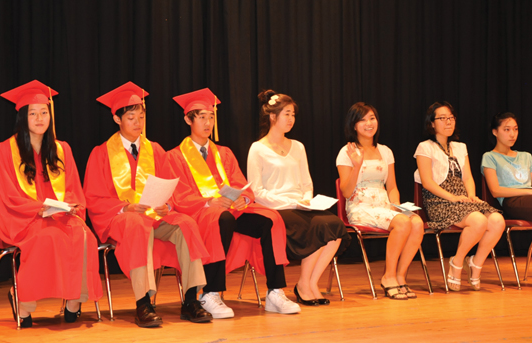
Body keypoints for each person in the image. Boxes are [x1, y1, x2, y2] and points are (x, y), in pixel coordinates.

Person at [83, 82, 211, 327]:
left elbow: (170, 189)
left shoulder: (156, 150)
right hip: (120, 219)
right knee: (135, 222)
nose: (138, 123)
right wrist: (125, 207)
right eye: (131, 117)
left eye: (141, 117)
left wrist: (168, 206)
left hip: (155, 216)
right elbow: (94, 197)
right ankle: (144, 302)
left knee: (185, 223)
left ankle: (191, 299)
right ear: (116, 119)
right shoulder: (100, 153)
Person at [165, 88, 300, 318]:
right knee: (221, 218)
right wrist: (210, 202)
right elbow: (179, 197)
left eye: (211, 117)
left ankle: (275, 291)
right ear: (188, 119)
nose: (208, 123)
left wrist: (242, 199)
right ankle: (210, 293)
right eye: (202, 117)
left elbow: (242, 184)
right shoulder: (174, 156)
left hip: (231, 211)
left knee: (270, 219)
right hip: (201, 213)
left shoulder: (224, 153)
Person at [0, 80, 103, 327]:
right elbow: (8, 195)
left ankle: (75, 300)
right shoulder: (4, 151)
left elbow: (74, 189)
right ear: (23, 117)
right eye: (33, 113)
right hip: (24, 218)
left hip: (60, 216)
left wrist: (72, 207)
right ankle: (23, 301)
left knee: (85, 237)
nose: (40, 118)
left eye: (44, 112)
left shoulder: (62, 149)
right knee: (47, 237)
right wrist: (38, 209)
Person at [247, 90, 350, 306]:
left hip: (301, 206)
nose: (291, 119)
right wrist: (291, 203)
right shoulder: (257, 149)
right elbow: (257, 192)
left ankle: (308, 283)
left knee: (333, 225)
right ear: (273, 117)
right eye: (286, 114)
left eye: (293, 114)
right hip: (276, 208)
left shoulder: (298, 146)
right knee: (316, 229)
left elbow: (306, 183)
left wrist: (306, 200)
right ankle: (305, 286)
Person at [336, 102, 424, 300]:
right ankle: (388, 276)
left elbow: (392, 186)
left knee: (416, 222)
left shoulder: (385, 151)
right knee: (402, 223)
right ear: (354, 125)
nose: (369, 123)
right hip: (360, 206)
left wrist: (397, 207)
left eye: (372, 118)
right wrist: (357, 165)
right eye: (363, 120)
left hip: (385, 205)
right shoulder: (347, 152)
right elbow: (346, 192)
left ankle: (400, 277)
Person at [414, 101, 505, 291]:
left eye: (451, 118)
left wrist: (471, 195)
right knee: (479, 221)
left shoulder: (460, 147)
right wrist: (452, 197)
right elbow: (428, 182)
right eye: (442, 118)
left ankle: (476, 263)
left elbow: (468, 177)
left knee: (497, 220)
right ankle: (456, 262)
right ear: (432, 123)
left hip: (463, 200)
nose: (448, 122)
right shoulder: (425, 147)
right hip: (439, 200)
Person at [482, 112, 532, 228]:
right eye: (507, 130)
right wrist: (531, 192)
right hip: (513, 203)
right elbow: (495, 191)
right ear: (495, 132)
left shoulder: (526, 156)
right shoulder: (490, 157)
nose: (512, 134)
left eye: (515, 129)